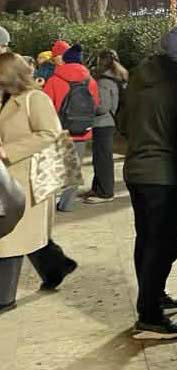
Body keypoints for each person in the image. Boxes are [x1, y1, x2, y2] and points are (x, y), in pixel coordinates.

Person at [119, 27, 177, 339]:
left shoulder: (137, 80)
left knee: (147, 239)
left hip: (138, 171)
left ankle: (154, 294)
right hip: (167, 176)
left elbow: (122, 123)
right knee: (165, 242)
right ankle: (150, 313)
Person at [0, 53, 78, 313]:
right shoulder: (5, 96)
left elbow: (50, 133)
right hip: (7, 179)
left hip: (28, 179)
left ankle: (4, 297)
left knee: (10, 238)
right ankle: (56, 266)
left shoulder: (35, 99)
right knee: (26, 234)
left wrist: (8, 150)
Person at [43, 44, 100, 212]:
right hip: (82, 131)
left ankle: (48, 206)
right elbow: (95, 104)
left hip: (59, 131)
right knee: (74, 169)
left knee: (53, 168)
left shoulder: (54, 80)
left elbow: (46, 106)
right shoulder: (90, 81)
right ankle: (67, 204)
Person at [84, 49, 127, 203]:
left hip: (103, 123)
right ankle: (98, 188)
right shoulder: (116, 78)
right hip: (109, 123)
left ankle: (105, 192)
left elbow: (102, 106)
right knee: (101, 157)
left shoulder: (104, 82)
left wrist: (88, 106)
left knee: (102, 158)